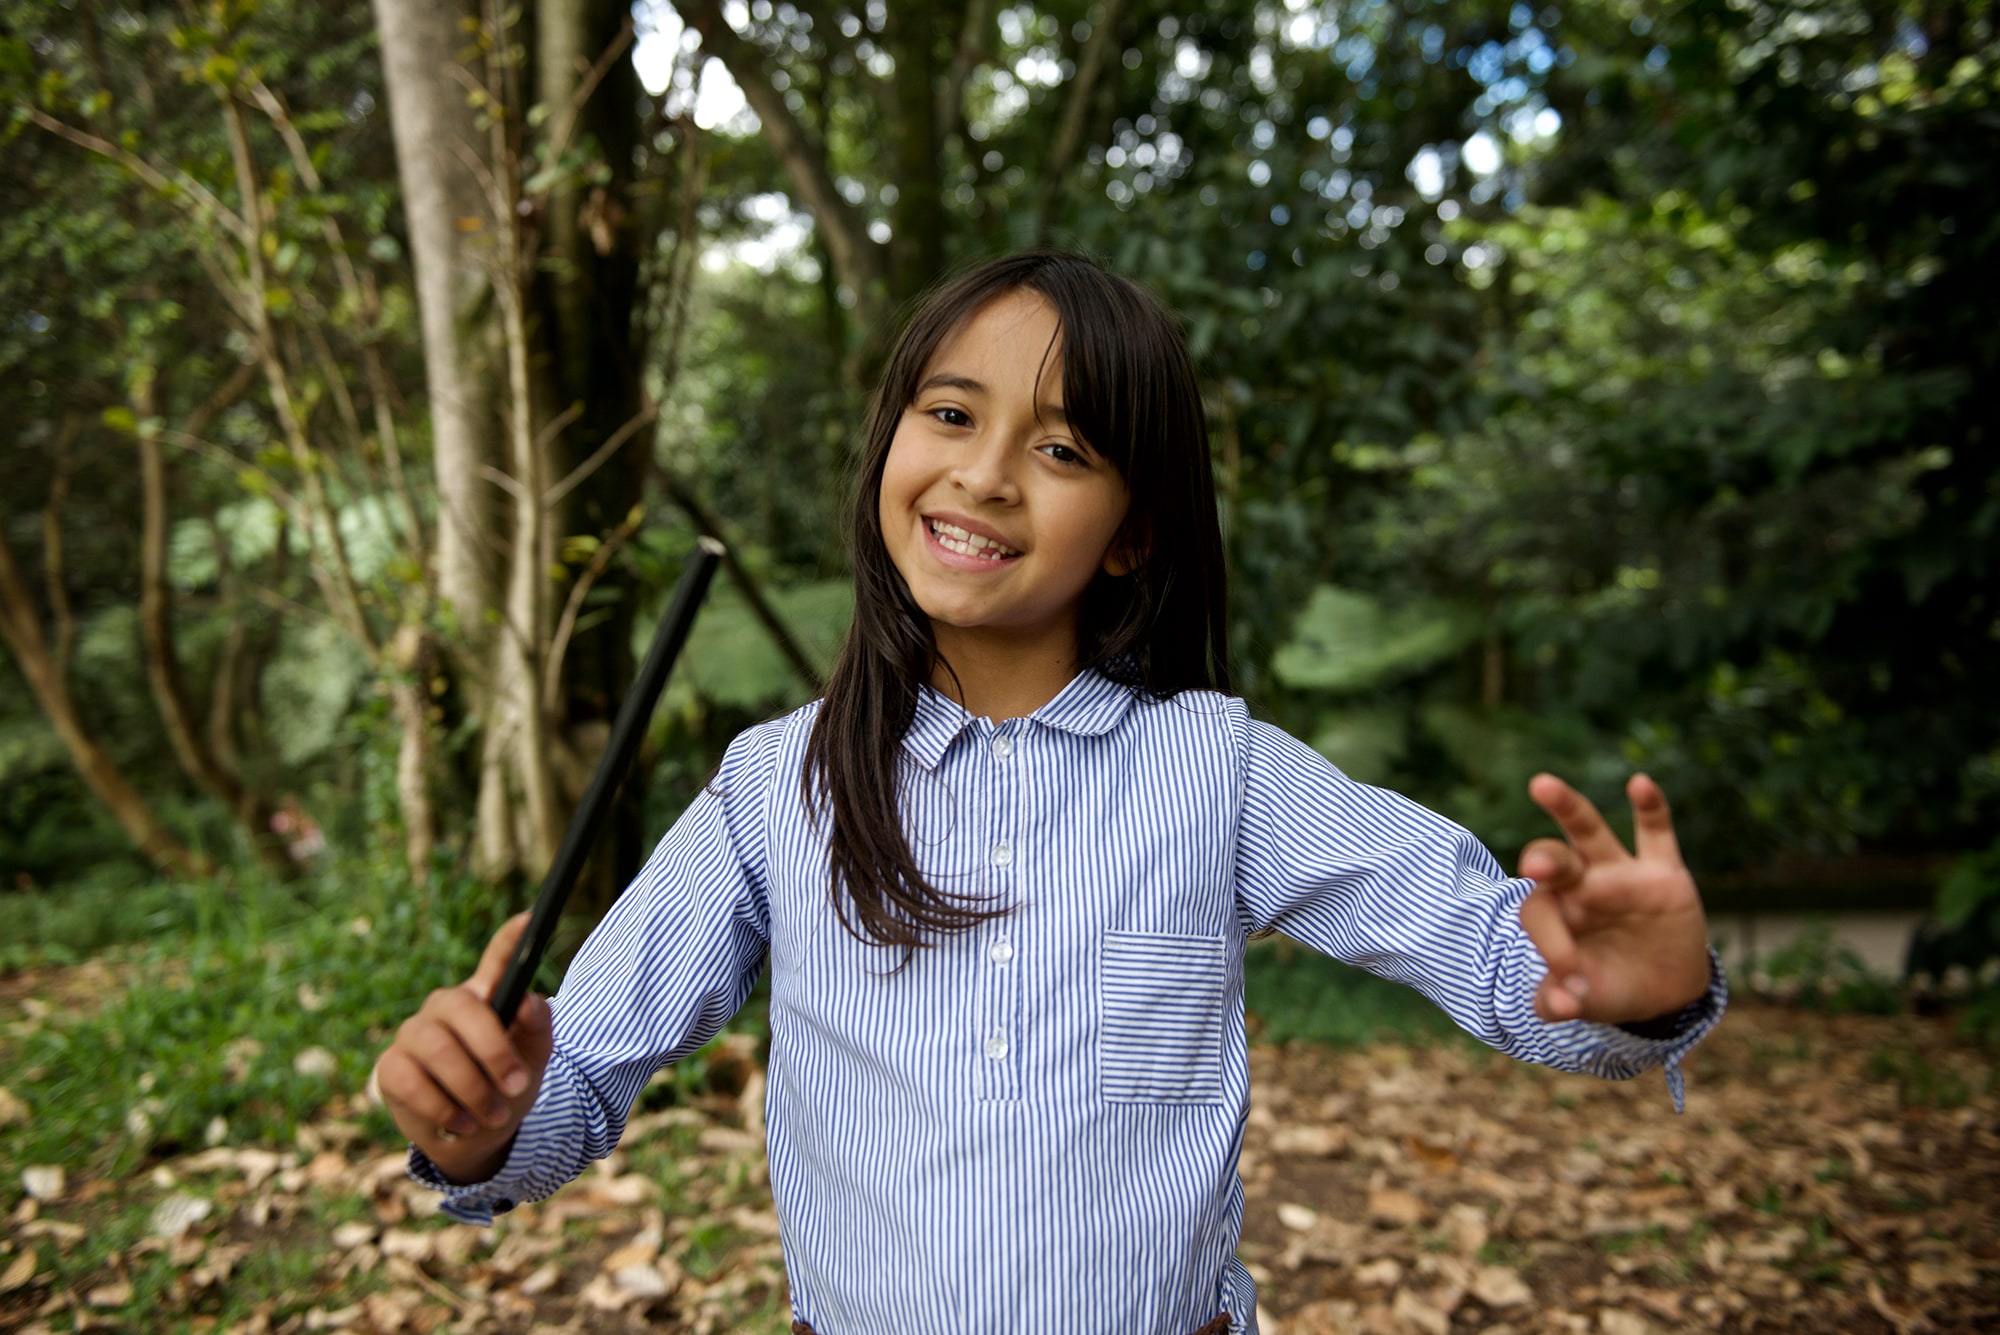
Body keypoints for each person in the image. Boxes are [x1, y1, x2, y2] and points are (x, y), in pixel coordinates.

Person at [375, 250, 1724, 1335]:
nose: (984, 472)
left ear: (1134, 529)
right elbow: (576, 1078)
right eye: (951, 415)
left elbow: (1489, 946)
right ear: (892, 443)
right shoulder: (772, 787)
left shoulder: (1219, 768)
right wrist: (484, 1124)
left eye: (1064, 449)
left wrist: (1628, 990)